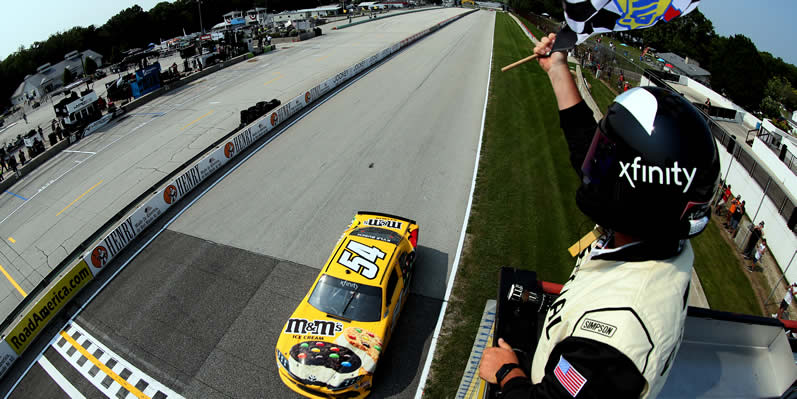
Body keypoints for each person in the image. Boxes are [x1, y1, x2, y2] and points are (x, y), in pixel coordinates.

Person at [479, 33, 720, 399]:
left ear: (634, 191)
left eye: (606, 160)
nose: (593, 166)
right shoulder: (657, 233)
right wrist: (558, 70)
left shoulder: (615, 337)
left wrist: (508, 373)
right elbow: (590, 154)